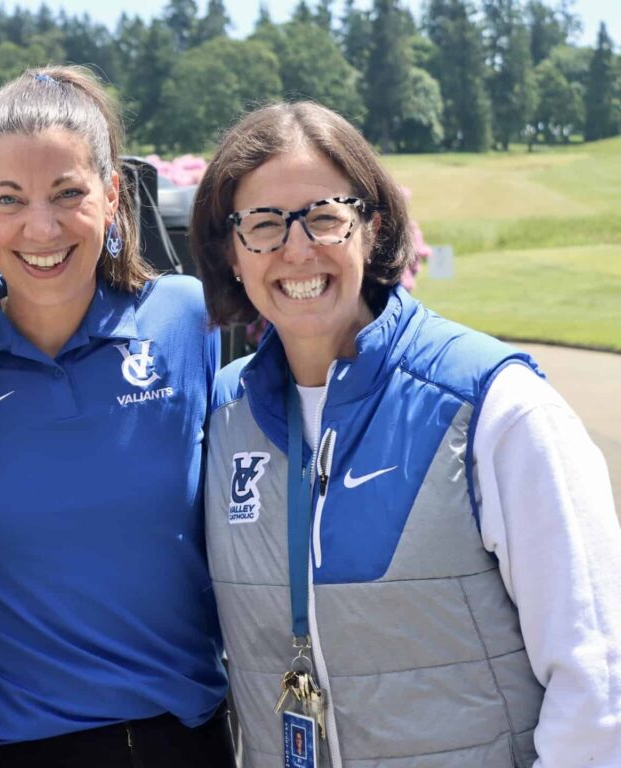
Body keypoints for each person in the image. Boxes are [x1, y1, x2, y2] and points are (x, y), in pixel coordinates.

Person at [190, 101, 621, 767]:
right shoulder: (222, 416)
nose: (296, 249)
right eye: (265, 224)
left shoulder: (496, 408)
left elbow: (599, 684)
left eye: (325, 217)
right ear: (231, 250)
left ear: (374, 227)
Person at [0, 66, 233, 768]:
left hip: (180, 743)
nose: (42, 227)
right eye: (9, 199)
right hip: (0, 750)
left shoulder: (188, 320)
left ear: (112, 193)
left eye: (68, 193)